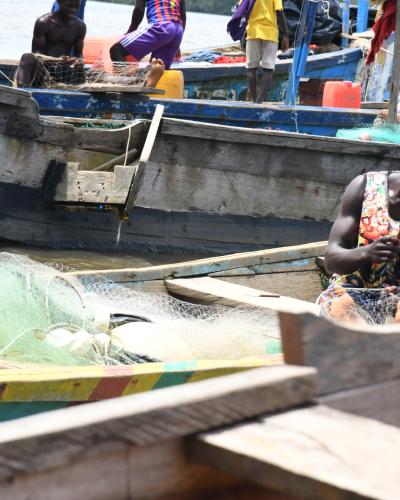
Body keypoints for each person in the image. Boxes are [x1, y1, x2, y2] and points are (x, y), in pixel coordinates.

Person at [321, 171, 400, 324]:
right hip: (353, 288)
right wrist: (367, 252)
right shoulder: (365, 187)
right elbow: (330, 260)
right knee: (342, 307)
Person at [110, 0, 186, 88]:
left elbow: (139, 10)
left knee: (116, 50)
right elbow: (183, 15)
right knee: (156, 65)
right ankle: (149, 83)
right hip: (178, 30)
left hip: (161, 26)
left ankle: (127, 86)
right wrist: (177, 45)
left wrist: (130, 31)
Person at [16, 0, 86, 88]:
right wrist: (56, 61)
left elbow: (78, 53)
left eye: (77, 6)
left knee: (80, 67)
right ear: (59, 2)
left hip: (63, 69)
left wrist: (79, 61)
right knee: (27, 57)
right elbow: (36, 53)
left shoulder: (80, 26)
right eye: (69, 5)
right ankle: (22, 90)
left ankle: (78, 92)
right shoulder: (43, 22)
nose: (73, 9)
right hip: (44, 67)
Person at [245, 0, 289, 103]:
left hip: (253, 32)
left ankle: (254, 101)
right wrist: (286, 35)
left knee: (251, 68)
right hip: (270, 33)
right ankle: (259, 101)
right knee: (268, 68)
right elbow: (279, 11)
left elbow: (242, 9)